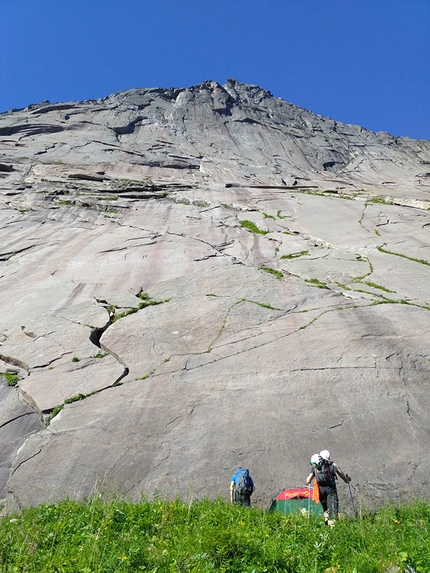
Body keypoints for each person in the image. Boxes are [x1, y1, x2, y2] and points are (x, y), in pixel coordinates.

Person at [306, 450, 351, 526]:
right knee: (333, 509)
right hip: (331, 489)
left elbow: (308, 481)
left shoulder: (315, 468)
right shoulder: (332, 465)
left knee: (326, 510)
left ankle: (326, 525)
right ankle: (332, 528)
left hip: (321, 490)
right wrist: (348, 479)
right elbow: (344, 478)